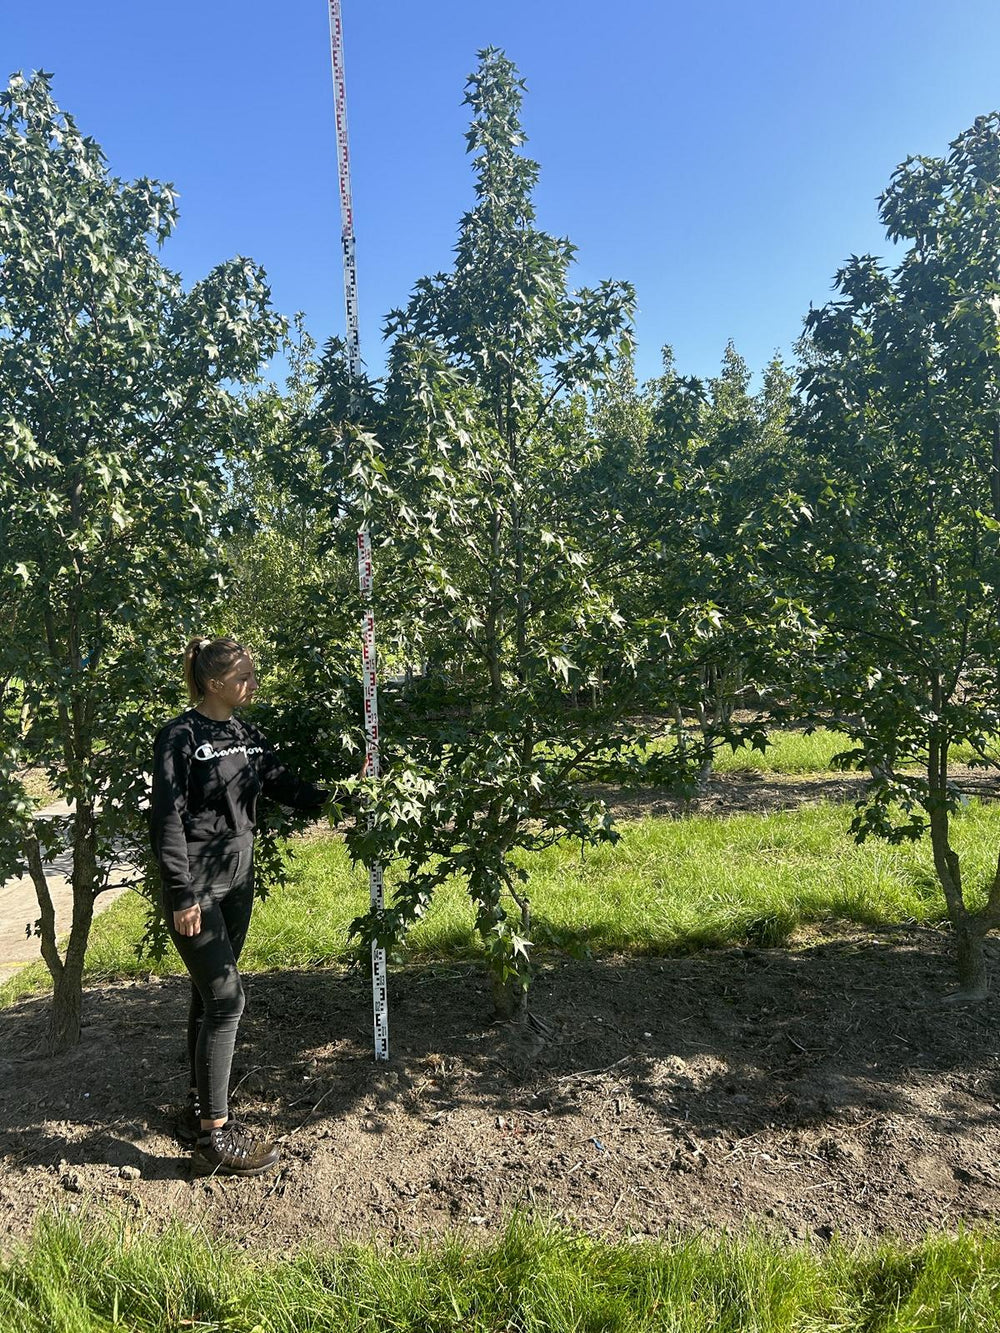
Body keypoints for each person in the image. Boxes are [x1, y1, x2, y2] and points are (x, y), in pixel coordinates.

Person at [150, 636, 328, 1177]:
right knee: (228, 1001)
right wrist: (181, 892)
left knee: (209, 997)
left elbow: (281, 783)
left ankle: (196, 1110)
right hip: (198, 882)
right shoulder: (179, 736)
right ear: (212, 683)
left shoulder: (246, 733)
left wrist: (337, 794)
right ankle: (214, 1139)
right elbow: (165, 817)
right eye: (244, 676)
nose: (253, 684)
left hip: (238, 878)